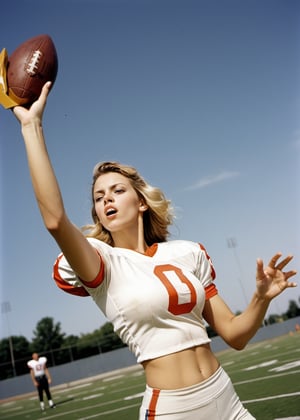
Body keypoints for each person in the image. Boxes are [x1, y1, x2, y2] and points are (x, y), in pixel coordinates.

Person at [13, 82, 297, 420]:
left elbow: (235, 336)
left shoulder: (188, 253)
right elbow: (56, 220)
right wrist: (32, 126)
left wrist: (261, 298)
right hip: (173, 410)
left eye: (117, 190)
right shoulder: (100, 263)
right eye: (99, 196)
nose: (106, 199)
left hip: (226, 397)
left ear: (142, 203)